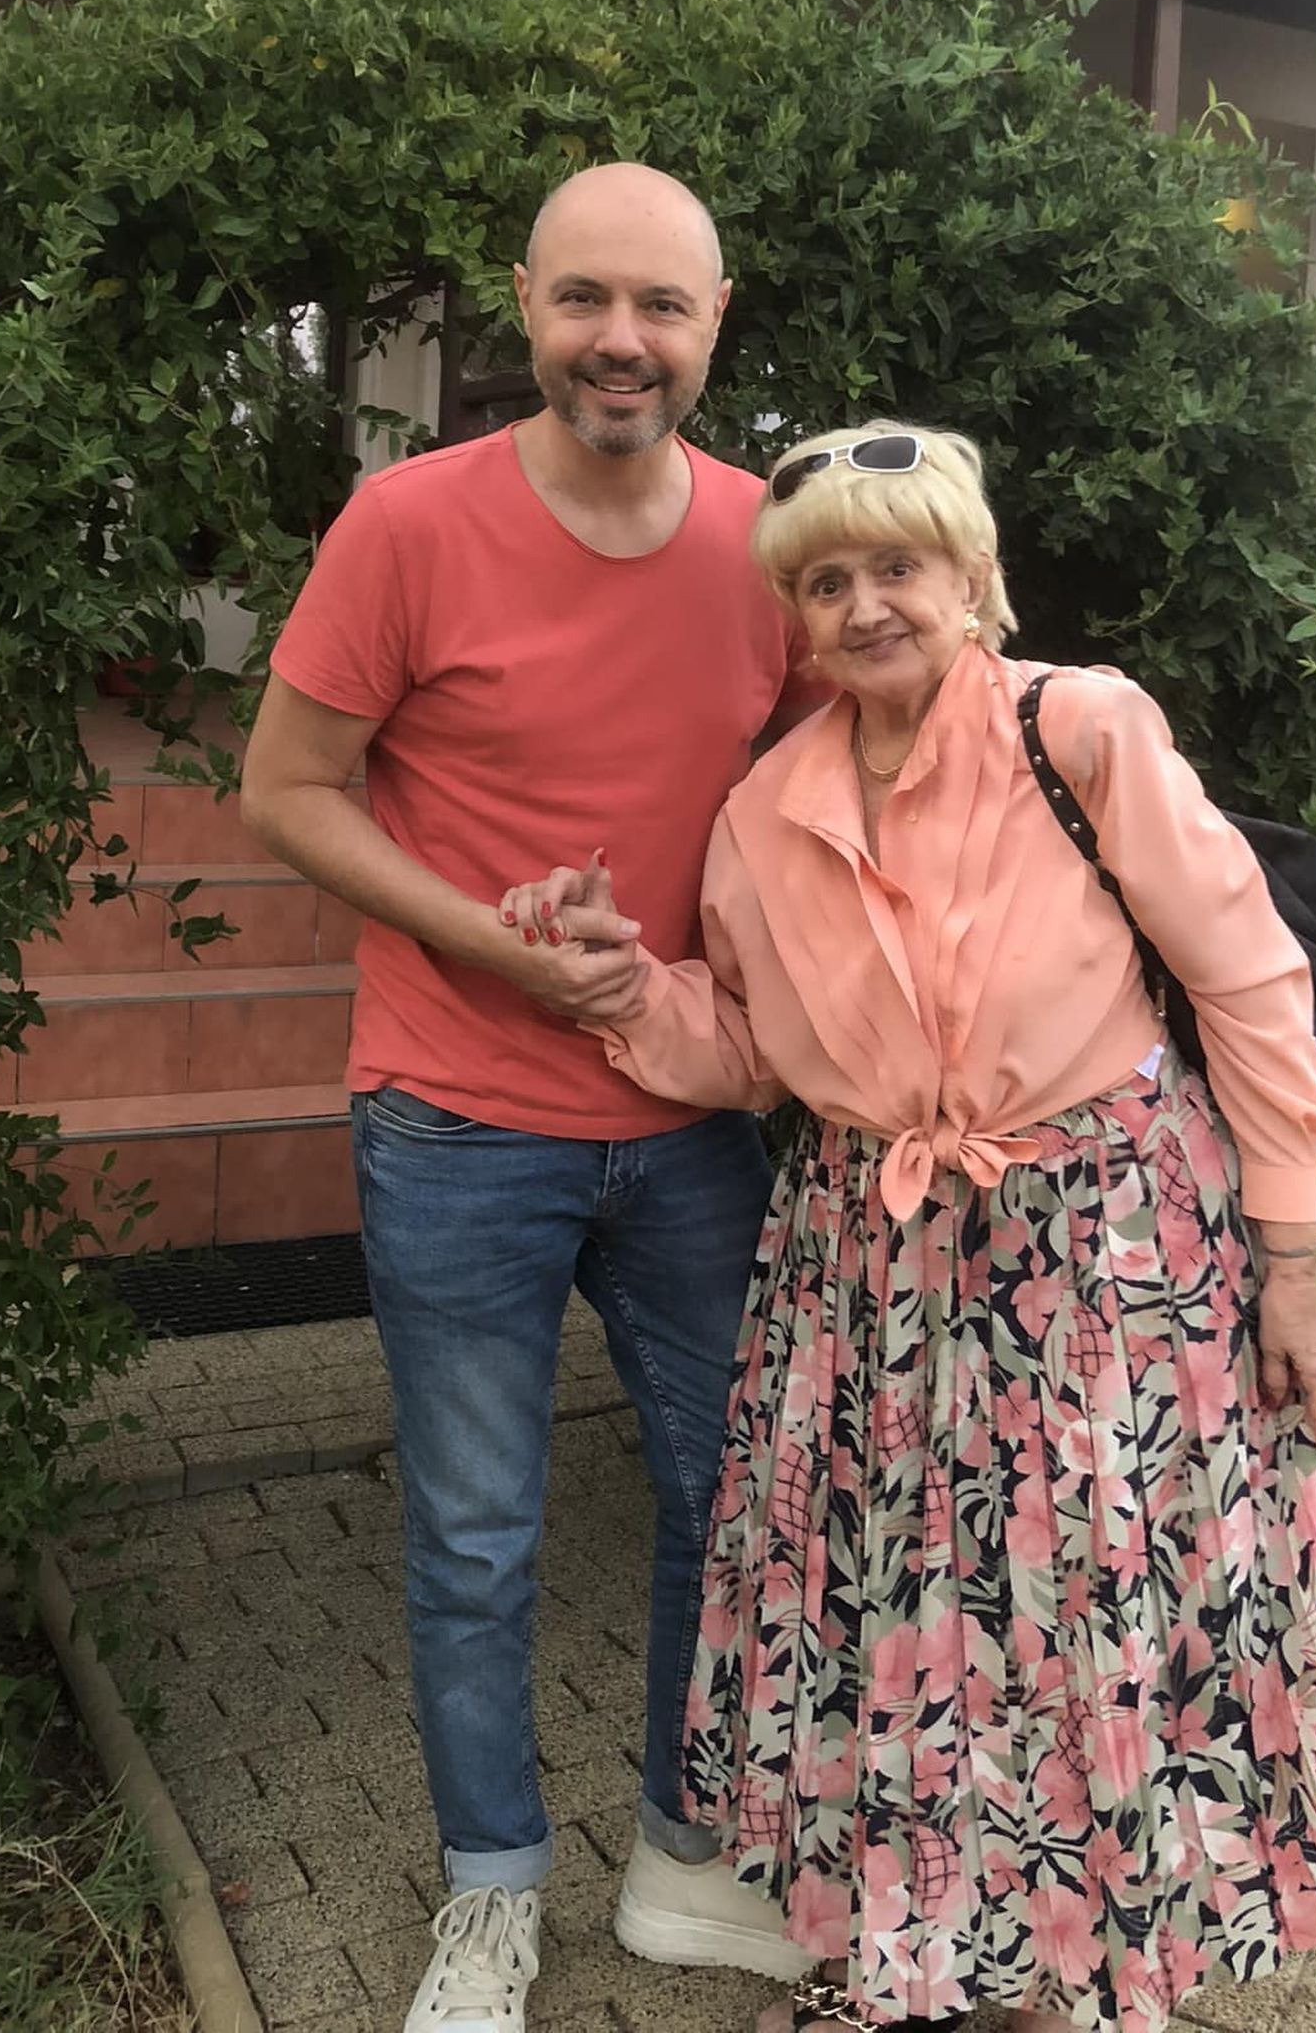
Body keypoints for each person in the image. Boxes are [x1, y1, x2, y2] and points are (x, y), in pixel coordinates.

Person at [499, 423, 1316, 2033]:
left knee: (1081, 1604)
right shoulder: (768, 811)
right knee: (894, 1613)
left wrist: (1291, 1259)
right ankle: (899, 1959)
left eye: (897, 565)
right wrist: (617, 985)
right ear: (796, 618)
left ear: (971, 576)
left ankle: (1066, 1972)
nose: (865, 605)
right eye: (826, 581)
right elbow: (748, 1050)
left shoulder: (1080, 730)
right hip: (871, 1263)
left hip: (1109, 1245)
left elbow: (1249, 980)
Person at [240, 162, 821, 2033]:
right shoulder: (408, 523)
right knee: (476, 1536)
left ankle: (683, 1856)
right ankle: (491, 1891)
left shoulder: (773, 546)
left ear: (716, 321)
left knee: (735, 1498)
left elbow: (839, 796)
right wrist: (495, 947)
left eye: (659, 305)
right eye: (584, 299)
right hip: (456, 1114)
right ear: (524, 304)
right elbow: (286, 789)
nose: (619, 341)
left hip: (690, 1121)